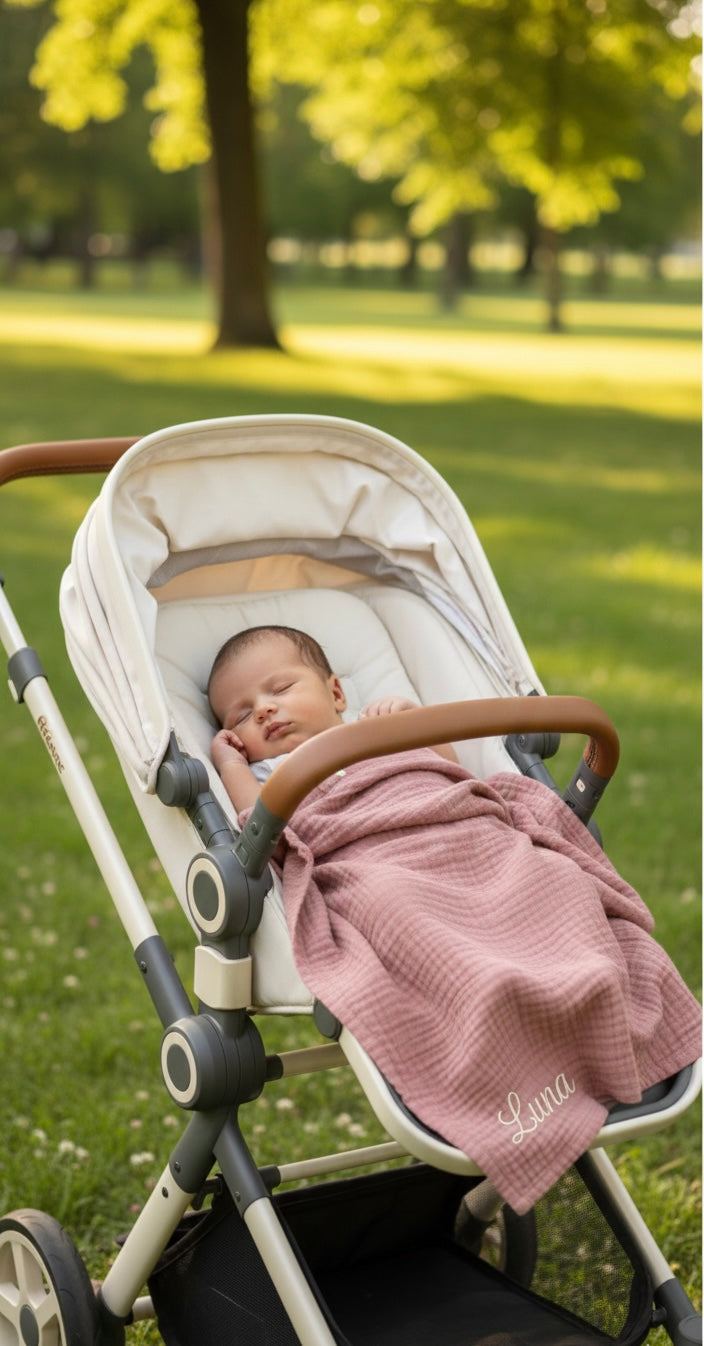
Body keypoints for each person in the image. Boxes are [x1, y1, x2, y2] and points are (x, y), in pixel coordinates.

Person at [208, 624, 456, 812]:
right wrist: (232, 766)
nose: (262, 710)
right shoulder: (269, 773)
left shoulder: (375, 727)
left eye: (282, 689)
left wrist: (414, 722)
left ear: (336, 693)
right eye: (243, 717)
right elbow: (258, 832)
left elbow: (450, 769)